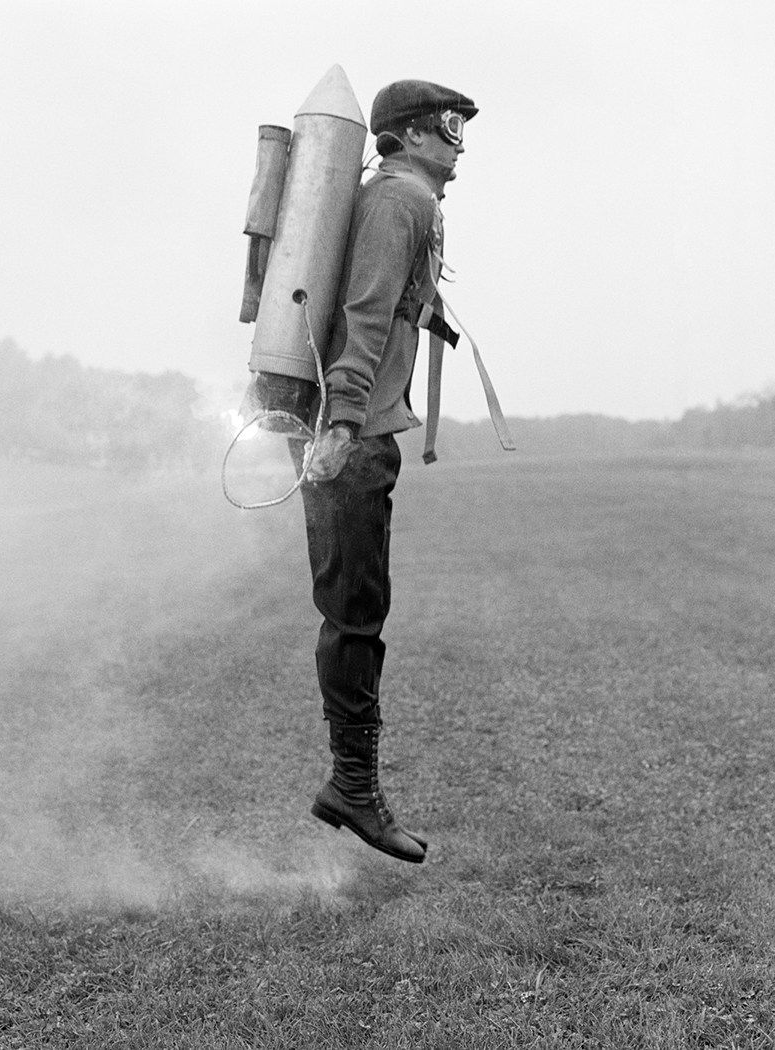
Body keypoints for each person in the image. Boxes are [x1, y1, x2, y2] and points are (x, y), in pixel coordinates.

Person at [297, 80, 477, 864]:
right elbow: (365, 312)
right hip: (354, 434)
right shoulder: (401, 202)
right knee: (354, 614)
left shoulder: (399, 203)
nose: (458, 143)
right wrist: (340, 421)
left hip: (360, 430)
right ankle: (353, 789)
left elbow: (386, 299)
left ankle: (353, 784)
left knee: (358, 608)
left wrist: (428, 307)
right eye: (446, 127)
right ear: (401, 136)